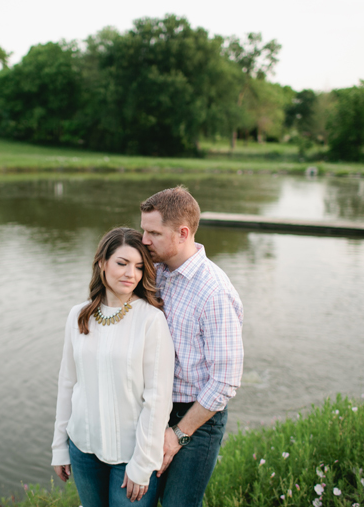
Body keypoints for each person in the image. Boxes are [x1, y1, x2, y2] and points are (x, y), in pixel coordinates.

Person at [52, 227, 175, 507]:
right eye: (122, 263)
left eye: (139, 267)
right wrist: (59, 447)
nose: (131, 273)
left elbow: (157, 399)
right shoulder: (78, 316)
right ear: (102, 263)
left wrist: (143, 464)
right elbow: (67, 384)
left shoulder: (151, 321)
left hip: (131, 458)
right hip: (83, 450)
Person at [139, 186, 244, 507]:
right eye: (143, 230)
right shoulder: (154, 270)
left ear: (183, 233)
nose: (144, 240)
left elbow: (225, 382)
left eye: (154, 233)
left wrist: (178, 435)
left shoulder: (215, 293)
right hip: (152, 409)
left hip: (197, 421)